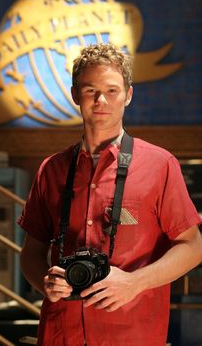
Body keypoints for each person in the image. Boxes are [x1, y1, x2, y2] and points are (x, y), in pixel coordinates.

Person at [18, 43, 202, 346]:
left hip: (133, 334)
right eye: (90, 91)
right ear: (76, 95)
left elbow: (193, 247)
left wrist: (133, 282)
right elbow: (31, 253)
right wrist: (46, 284)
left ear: (128, 95)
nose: (101, 100)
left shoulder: (160, 165)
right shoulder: (51, 169)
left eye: (112, 91)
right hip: (60, 334)